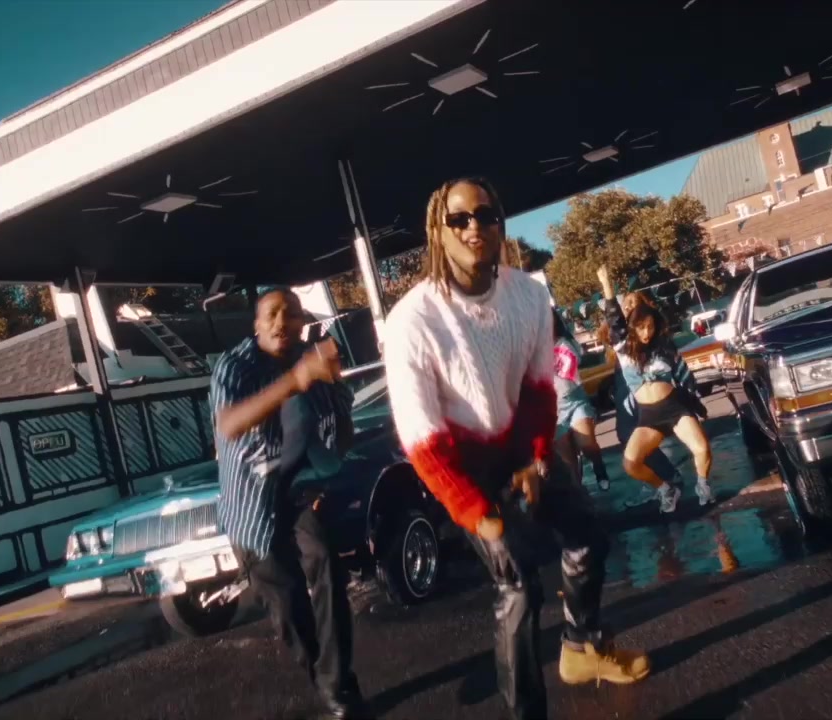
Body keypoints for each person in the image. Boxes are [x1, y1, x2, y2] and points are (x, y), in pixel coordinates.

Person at [383, 177, 650, 720]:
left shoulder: (528, 295)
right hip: (464, 466)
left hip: (518, 447)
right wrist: (475, 512)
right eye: (459, 218)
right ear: (438, 230)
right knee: (519, 587)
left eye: (486, 215)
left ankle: (581, 648)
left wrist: (534, 457)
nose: (474, 227)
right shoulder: (413, 319)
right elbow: (421, 438)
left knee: (588, 537)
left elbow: (539, 389)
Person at [210, 289, 368, 720]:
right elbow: (229, 424)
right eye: (272, 314)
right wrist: (295, 381)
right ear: (256, 325)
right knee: (288, 606)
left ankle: (338, 684)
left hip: (297, 492)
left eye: (292, 314)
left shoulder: (311, 359)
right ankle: (323, 673)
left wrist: (332, 385)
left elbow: (342, 431)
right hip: (250, 502)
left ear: (302, 323)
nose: (282, 322)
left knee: (328, 568)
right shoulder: (234, 366)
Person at [598, 265, 715, 510]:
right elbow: (614, 318)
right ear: (632, 327)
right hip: (649, 416)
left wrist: (696, 401)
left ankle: (703, 485)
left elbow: (683, 375)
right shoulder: (623, 348)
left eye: (650, 326)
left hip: (674, 409)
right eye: (641, 327)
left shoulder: (664, 346)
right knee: (631, 463)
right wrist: (607, 286)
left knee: (702, 448)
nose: (647, 332)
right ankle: (665, 488)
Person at [609, 292, 692, 508]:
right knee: (629, 436)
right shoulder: (625, 338)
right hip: (626, 388)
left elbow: (674, 366)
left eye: (633, 305)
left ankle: (665, 480)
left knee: (632, 436)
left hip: (640, 392)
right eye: (626, 305)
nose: (628, 308)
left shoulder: (647, 340)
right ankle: (661, 480)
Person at [551, 309, 611, 489]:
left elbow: (570, 367)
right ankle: (579, 496)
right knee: (568, 463)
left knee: (587, 444)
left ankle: (598, 467)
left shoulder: (565, 343)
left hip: (575, 401)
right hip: (553, 410)